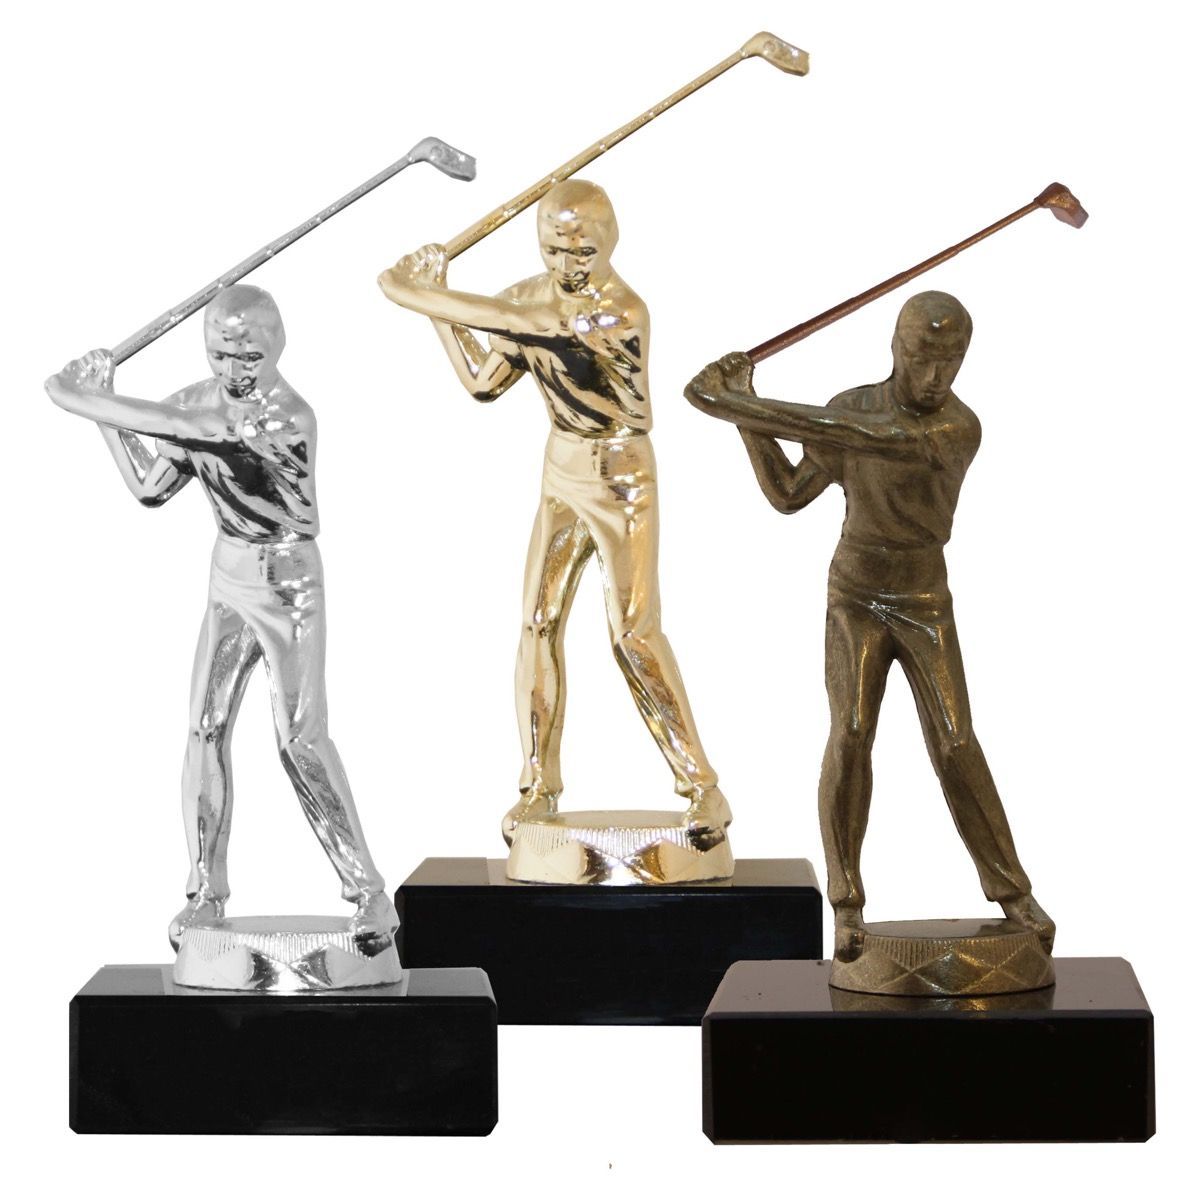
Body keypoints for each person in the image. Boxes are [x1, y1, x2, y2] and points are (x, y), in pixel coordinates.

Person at [685, 290, 1053, 959]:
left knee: (955, 742)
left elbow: (866, 438)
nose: (935, 375)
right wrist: (746, 416)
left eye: (951, 360)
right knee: (851, 732)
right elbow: (788, 495)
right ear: (895, 346)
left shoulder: (956, 429)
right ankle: (847, 900)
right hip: (855, 594)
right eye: (922, 356)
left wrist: (731, 401)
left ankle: (1013, 892)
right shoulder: (851, 406)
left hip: (924, 599)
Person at [46, 284, 398, 949]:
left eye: (249, 356)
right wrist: (104, 412)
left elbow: (194, 430)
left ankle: (369, 895)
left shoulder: (284, 417)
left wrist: (83, 396)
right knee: (203, 729)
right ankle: (205, 894)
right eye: (221, 355)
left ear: (277, 347)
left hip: (288, 581)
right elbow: (150, 489)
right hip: (228, 575)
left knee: (300, 740)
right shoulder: (193, 404)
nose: (235, 370)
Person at [379, 179, 729, 844]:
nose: (568, 265)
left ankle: (702, 787)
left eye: (583, 251)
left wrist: (414, 290)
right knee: (537, 623)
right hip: (561, 467)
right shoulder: (526, 300)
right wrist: (437, 306)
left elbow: (521, 323)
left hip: (621, 473)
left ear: (610, 243)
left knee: (633, 634)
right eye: (553, 250)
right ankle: (538, 787)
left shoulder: (618, 312)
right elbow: (483, 383)